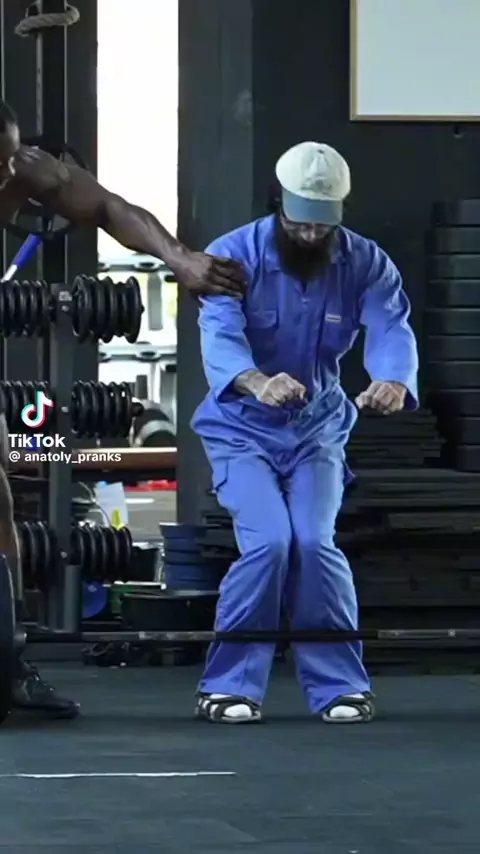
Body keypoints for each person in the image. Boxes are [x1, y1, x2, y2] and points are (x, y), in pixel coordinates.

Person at [0, 98, 245, 719]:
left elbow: (109, 206)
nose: (6, 175)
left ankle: (7, 665)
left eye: (8, 158)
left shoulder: (23, 169)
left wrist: (180, 258)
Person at [191, 141, 419, 725]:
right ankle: (228, 686)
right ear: (279, 205)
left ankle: (341, 686)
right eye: (301, 224)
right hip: (241, 431)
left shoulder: (365, 261)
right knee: (270, 542)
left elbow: (391, 325)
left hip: (317, 430)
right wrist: (255, 381)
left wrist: (392, 379)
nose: (313, 235)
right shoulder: (231, 256)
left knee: (315, 544)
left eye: (323, 226)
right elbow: (220, 334)